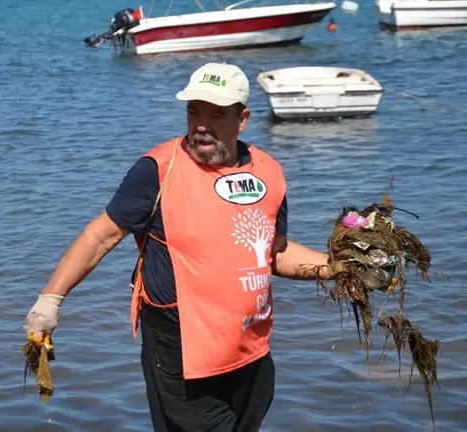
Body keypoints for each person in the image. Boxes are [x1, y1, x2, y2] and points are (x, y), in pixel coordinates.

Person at [24, 62, 342, 432]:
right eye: (194, 112)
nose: (201, 125)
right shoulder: (157, 170)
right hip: (180, 352)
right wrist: (51, 300)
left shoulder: (268, 171)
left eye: (216, 114)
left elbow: (273, 253)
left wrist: (338, 268)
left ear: (243, 119)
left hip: (250, 350)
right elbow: (101, 236)